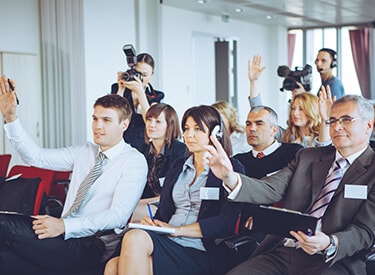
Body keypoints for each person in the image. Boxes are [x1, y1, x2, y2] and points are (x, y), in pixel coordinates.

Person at [204, 94, 375, 275]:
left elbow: (365, 231)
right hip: (284, 252)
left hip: (334, 260)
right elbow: (270, 188)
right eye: (332, 121)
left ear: (368, 125)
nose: (337, 126)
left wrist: (330, 242)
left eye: (346, 119)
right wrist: (229, 177)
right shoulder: (308, 157)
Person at [0, 75, 148, 273]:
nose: (98, 126)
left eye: (106, 120)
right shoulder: (85, 151)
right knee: (5, 256)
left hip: (92, 246)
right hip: (62, 233)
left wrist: (65, 227)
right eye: (95, 118)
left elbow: (118, 216)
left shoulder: (134, 161)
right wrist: (10, 117)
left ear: (124, 124)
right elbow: (36, 157)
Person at [104, 105, 246, 275]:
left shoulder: (231, 168)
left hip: (200, 249)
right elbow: (164, 212)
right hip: (168, 239)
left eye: (198, 129)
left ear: (215, 134)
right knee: (113, 265)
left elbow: (226, 222)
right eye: (186, 128)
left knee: (134, 239)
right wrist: (154, 223)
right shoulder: (178, 166)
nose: (189, 135)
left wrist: (177, 231)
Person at [233, 105, 302, 254]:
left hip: (276, 226)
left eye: (259, 123)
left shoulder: (293, 153)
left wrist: (261, 215)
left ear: (274, 130)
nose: (251, 128)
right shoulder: (238, 160)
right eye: (248, 124)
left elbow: (293, 193)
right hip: (240, 225)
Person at [247, 54, 332, 148]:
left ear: (311, 110)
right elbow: (258, 112)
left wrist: (325, 119)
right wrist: (253, 82)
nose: (295, 113)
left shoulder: (322, 135)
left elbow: (323, 148)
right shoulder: (286, 136)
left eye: (301, 109)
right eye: (293, 108)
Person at [131, 103, 187, 222]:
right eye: (149, 120)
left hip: (170, 207)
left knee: (128, 212)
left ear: (169, 125)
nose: (151, 125)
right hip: (146, 204)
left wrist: (137, 203)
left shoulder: (180, 151)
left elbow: (175, 193)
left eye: (158, 121)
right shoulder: (143, 151)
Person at [111, 52, 164, 150]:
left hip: (143, 145)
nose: (140, 78)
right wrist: (121, 89)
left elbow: (150, 120)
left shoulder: (156, 95)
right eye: (137, 74)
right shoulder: (117, 88)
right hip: (120, 141)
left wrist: (140, 92)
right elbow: (113, 115)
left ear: (152, 74)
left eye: (145, 75)